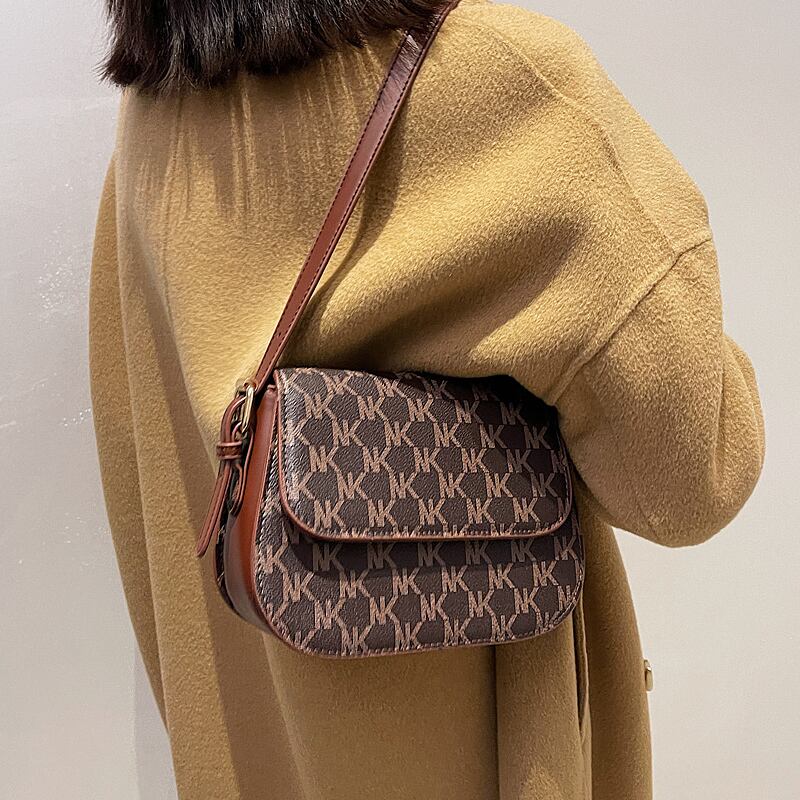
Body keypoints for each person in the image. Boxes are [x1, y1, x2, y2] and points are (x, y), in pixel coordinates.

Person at [89, 1, 764, 798]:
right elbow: (695, 477)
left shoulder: (155, 119)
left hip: (251, 758)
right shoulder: (501, 81)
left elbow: (142, 461)